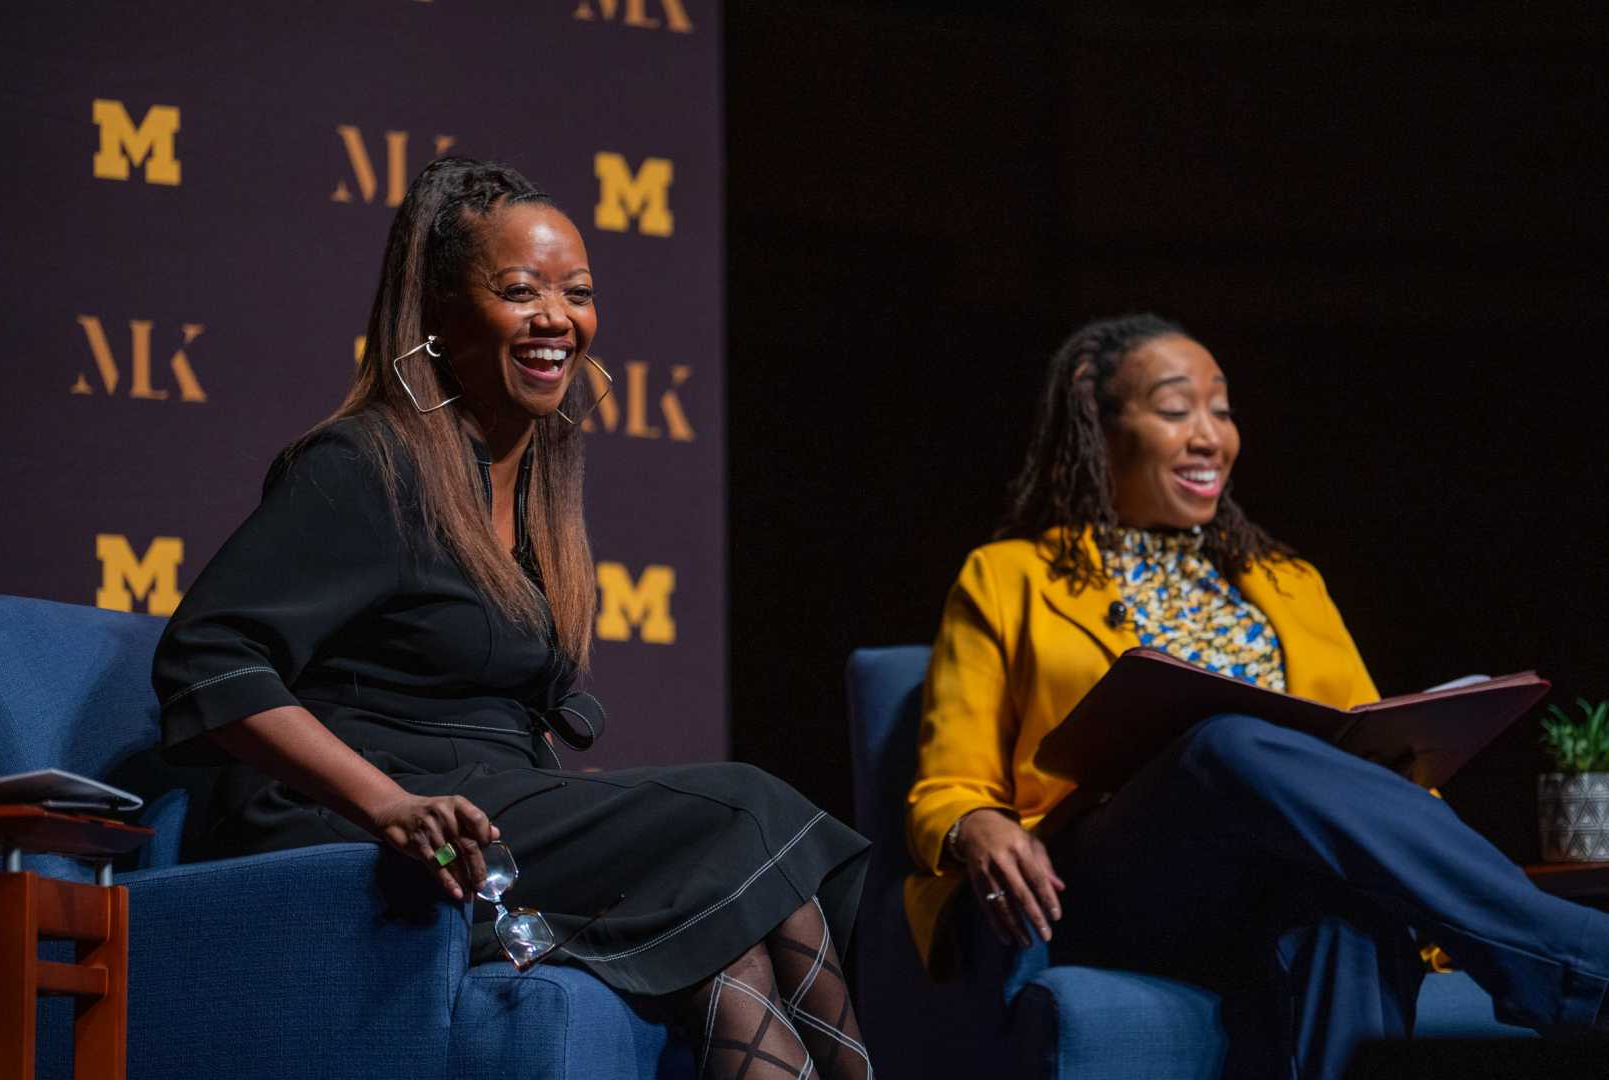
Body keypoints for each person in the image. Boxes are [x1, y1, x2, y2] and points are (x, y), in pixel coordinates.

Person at [152, 157, 872, 1080]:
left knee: (728, 940)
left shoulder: (529, 476)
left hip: (483, 804)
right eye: (519, 291)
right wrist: (387, 806)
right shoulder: (367, 464)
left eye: (576, 292)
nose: (555, 320)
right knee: (748, 809)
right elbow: (206, 655)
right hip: (355, 814)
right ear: (441, 318)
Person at [905, 313, 1609, 1076]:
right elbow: (948, 783)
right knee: (1224, 743)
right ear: (1097, 427)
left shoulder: (1287, 583)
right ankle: (1575, 959)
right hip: (1112, 882)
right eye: (1176, 410)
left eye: (1223, 409)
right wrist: (972, 826)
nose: (1210, 435)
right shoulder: (1007, 575)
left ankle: (1559, 961)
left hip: (1272, 883)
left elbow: (1369, 762)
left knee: (1349, 914)